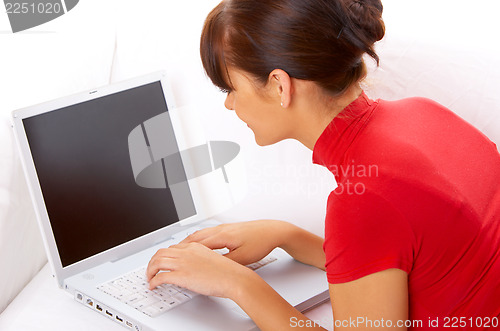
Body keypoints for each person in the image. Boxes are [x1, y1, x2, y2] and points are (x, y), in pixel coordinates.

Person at [146, 0, 500, 329]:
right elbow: (400, 259)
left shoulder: (363, 203)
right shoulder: (423, 112)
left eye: (230, 89)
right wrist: (286, 235)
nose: (230, 105)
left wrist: (237, 283)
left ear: (279, 86)